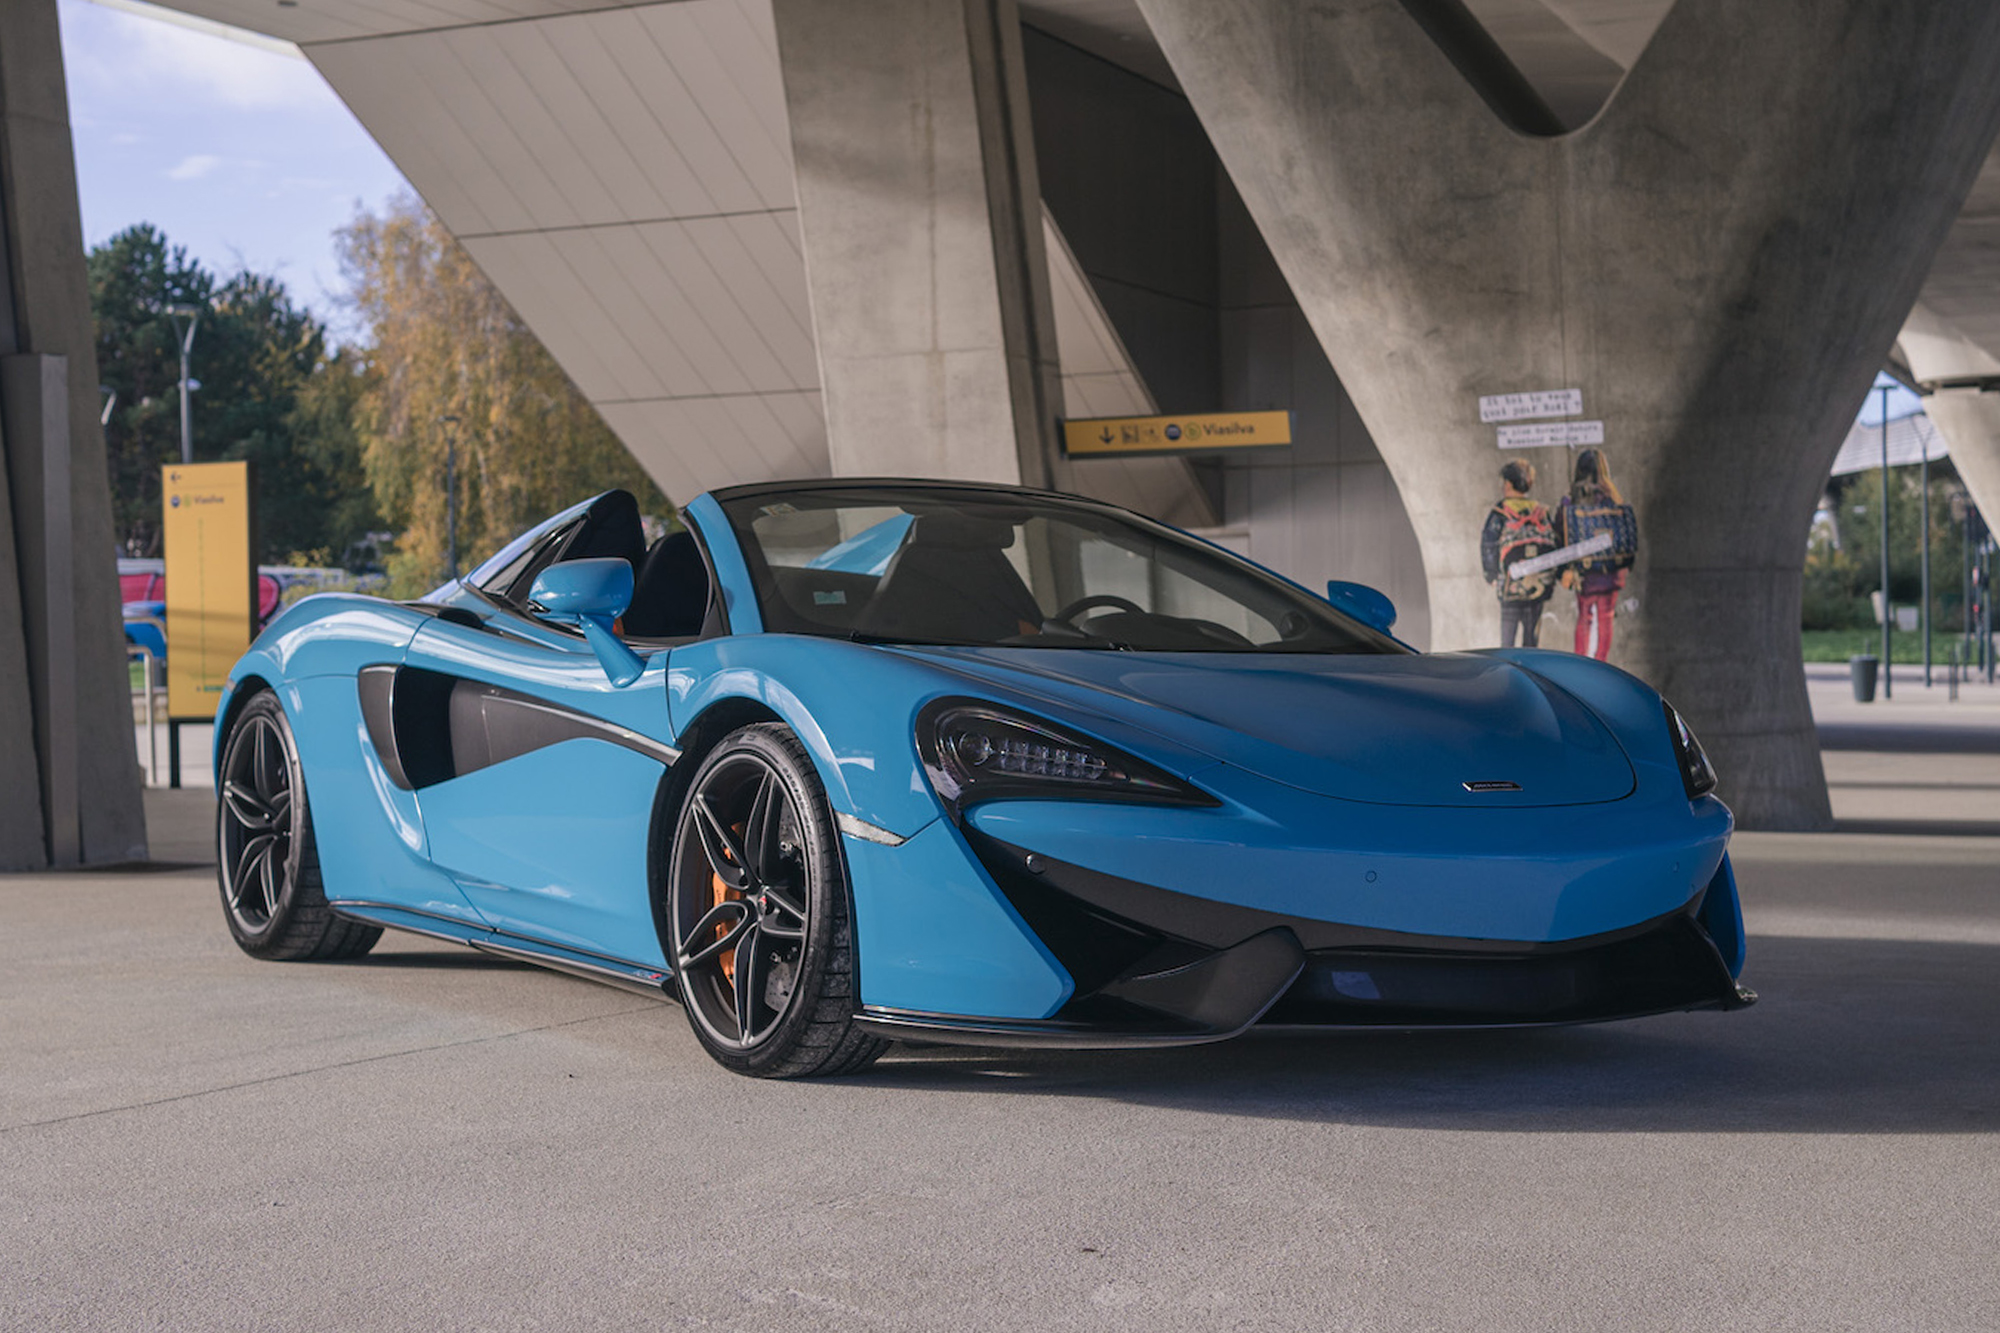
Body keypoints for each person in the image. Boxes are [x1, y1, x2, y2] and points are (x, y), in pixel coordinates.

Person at [1555, 448, 1637, 660]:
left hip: (1586, 570)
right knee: (1606, 616)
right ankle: (1602, 664)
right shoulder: (1613, 497)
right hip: (1612, 569)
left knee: (1585, 616)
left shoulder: (1571, 499)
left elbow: (1560, 533)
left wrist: (1564, 570)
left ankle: (1581, 663)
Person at [1480, 458, 1556, 647]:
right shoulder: (1540, 510)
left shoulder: (1500, 511)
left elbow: (1489, 543)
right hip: (1538, 585)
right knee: (1532, 640)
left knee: (1507, 639)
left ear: (1507, 483)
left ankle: (1508, 672)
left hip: (1509, 586)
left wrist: (1491, 575)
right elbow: (1554, 543)